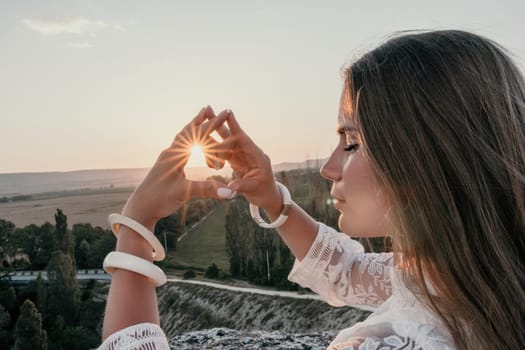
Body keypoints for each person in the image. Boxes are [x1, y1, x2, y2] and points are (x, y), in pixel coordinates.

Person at [97, 30, 525, 350]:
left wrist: (137, 226)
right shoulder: (469, 279)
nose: (328, 166)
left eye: (352, 142)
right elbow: (349, 271)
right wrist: (270, 197)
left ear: (425, 160)